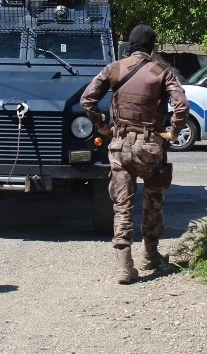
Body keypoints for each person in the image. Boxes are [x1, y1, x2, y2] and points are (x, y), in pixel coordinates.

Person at [80, 24, 190, 284]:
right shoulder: (162, 72)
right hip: (151, 147)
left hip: (120, 146)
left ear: (130, 44)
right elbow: (182, 106)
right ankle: (150, 257)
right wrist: (173, 132)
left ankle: (124, 266)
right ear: (152, 47)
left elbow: (87, 99)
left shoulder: (115, 68)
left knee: (122, 205)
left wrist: (103, 126)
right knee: (153, 200)